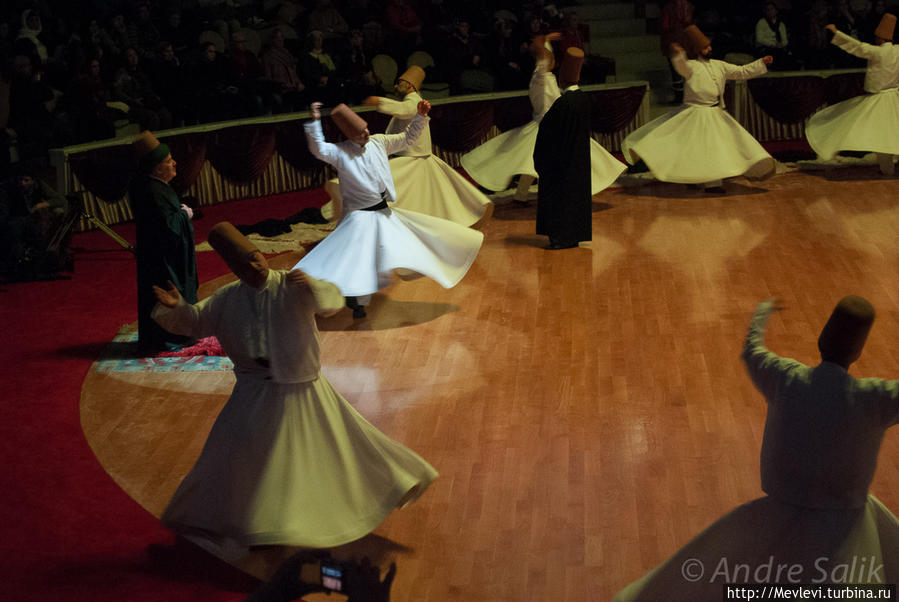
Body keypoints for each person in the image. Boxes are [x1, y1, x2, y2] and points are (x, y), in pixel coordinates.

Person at [152, 222, 438, 561]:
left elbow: (331, 303)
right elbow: (195, 321)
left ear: (262, 255)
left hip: (301, 390)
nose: (255, 266)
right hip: (253, 392)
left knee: (336, 451)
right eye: (245, 264)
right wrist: (176, 308)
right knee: (242, 458)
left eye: (256, 258)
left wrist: (314, 287)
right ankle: (258, 522)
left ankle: (297, 518)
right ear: (234, 269)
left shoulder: (291, 283)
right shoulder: (228, 298)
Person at [614, 296, 899, 600]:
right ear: (857, 350)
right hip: (846, 525)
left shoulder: (785, 378)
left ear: (823, 338)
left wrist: (762, 314)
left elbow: (752, 350)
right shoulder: (873, 400)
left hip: (779, 517)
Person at [295, 100, 483, 318]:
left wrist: (420, 117)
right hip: (358, 217)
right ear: (349, 136)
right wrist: (315, 122)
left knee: (406, 244)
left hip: (383, 212)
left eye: (365, 129)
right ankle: (354, 300)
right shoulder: (340, 153)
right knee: (356, 259)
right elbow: (318, 149)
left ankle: (358, 297)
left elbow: (407, 138)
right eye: (360, 133)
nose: (365, 134)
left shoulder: (379, 142)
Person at [460, 35, 625, 205]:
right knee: (545, 162)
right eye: (550, 58)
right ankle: (554, 194)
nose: (552, 61)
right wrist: (543, 40)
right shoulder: (541, 77)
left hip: (550, 125)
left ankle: (522, 195)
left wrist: (547, 38)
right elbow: (542, 58)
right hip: (547, 126)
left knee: (529, 163)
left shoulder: (546, 77)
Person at [621, 25, 776, 192]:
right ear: (697, 50)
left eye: (709, 46)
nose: (709, 49)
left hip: (714, 113)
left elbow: (741, 71)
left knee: (713, 149)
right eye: (704, 47)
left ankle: (713, 183)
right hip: (695, 113)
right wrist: (678, 54)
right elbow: (681, 67)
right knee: (694, 150)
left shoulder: (719, 65)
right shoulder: (691, 66)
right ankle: (694, 179)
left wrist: (761, 63)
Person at [353, 65, 493, 226]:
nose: (395, 86)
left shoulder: (414, 101)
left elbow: (403, 110)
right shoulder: (412, 101)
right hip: (412, 157)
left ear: (409, 85)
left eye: (399, 83)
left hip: (410, 158)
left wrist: (378, 101)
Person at [129, 130, 198, 352]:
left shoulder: (154, 186)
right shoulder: (152, 190)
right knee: (168, 290)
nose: (174, 163)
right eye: (169, 161)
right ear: (157, 168)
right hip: (162, 259)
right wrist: (184, 215)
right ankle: (172, 337)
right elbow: (169, 227)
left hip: (159, 254)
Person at [805, 15, 899, 175]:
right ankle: (887, 168)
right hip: (893, 98)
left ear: (880, 38)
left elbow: (856, 47)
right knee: (890, 133)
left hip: (880, 99)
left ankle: (887, 169)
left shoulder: (878, 52)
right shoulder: (897, 51)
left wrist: (836, 33)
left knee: (878, 134)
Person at [534, 47, 592, 250]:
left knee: (561, 201)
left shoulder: (563, 104)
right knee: (577, 198)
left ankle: (561, 238)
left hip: (561, 163)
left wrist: (542, 161)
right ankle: (574, 235)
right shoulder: (584, 100)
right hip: (579, 162)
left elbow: (547, 134)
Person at [0, 168, 74, 280]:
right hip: (15, 218)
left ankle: (55, 257)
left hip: (32, 217)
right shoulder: (7, 188)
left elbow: (61, 200)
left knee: (59, 212)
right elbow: (4, 213)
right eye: (20, 180)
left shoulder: (39, 185)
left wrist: (41, 205)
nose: (22, 183)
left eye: (26, 180)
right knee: (16, 227)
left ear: (33, 180)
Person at [659, 0, 694, 104]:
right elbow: (689, 22)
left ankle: (679, 97)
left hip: (672, 41)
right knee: (686, 68)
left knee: (675, 71)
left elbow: (665, 26)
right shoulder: (688, 6)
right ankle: (690, 95)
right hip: (686, 40)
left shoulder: (668, 8)